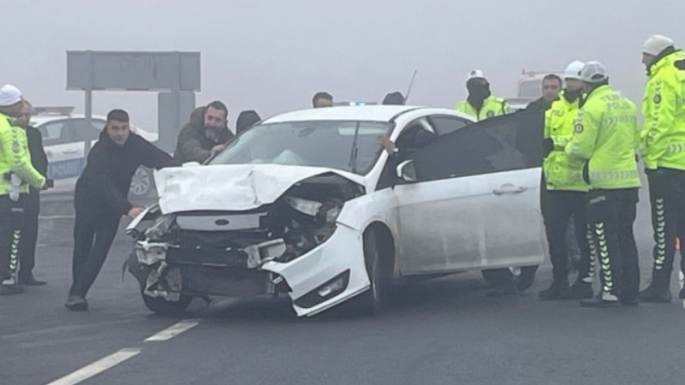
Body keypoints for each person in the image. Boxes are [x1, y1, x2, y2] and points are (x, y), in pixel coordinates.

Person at [66, 109, 177, 311]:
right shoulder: (99, 152)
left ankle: (78, 293)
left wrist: (185, 168)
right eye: (115, 128)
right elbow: (104, 185)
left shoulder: (135, 144)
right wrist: (127, 208)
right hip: (88, 201)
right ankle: (76, 291)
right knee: (82, 246)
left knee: (100, 249)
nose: (119, 133)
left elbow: (161, 159)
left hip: (112, 207)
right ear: (107, 127)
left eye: (123, 128)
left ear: (128, 127)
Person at [565, 61, 641, 307]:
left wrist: (565, 147)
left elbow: (581, 148)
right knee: (626, 237)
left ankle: (609, 291)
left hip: (603, 185)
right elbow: (634, 140)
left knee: (605, 240)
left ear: (586, 85)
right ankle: (630, 291)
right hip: (629, 182)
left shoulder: (591, 108)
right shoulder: (628, 105)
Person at [539, 60, 595, 300]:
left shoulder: (589, 107)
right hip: (555, 183)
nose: (572, 84)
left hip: (582, 184)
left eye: (575, 80)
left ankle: (584, 281)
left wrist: (556, 144)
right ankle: (559, 280)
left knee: (585, 237)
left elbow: (584, 142)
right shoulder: (554, 108)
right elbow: (543, 139)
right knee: (555, 236)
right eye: (569, 80)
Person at [637, 35, 685, 303]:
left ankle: (660, 285)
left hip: (667, 166)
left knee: (665, 229)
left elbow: (658, 123)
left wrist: (650, 159)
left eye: (645, 55)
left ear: (655, 54)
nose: (643, 60)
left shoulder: (662, 78)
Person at [0, 85, 46, 295]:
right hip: (10, 191)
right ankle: (7, 279)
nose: (21, 109)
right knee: (11, 236)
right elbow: (18, 162)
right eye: (19, 104)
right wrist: (39, 181)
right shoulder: (9, 129)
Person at [14, 100, 49, 286]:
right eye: (21, 115)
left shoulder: (34, 134)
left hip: (31, 190)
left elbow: (40, 158)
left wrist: (41, 178)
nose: (24, 119)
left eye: (27, 115)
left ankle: (26, 272)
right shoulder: (8, 133)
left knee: (30, 231)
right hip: (11, 191)